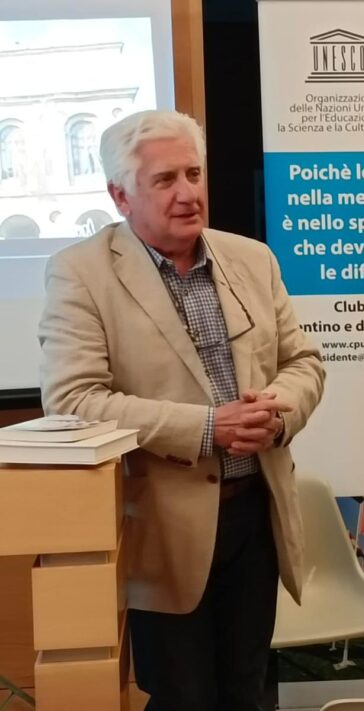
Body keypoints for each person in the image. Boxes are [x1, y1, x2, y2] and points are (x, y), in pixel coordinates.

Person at [38, 110, 325, 711]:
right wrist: (207, 428)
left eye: (194, 174)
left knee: (248, 693)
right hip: (163, 530)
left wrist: (277, 412)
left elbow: (302, 362)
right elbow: (74, 400)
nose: (189, 193)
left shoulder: (253, 259)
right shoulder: (81, 273)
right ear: (121, 195)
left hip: (255, 517)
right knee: (184, 699)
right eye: (165, 179)